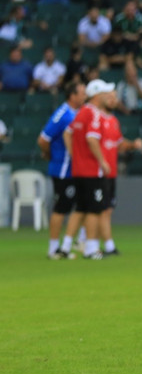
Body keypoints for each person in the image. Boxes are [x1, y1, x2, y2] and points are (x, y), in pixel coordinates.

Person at [61, 80, 118, 260]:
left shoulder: (81, 112)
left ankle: (65, 246)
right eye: (103, 93)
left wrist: (74, 155)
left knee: (80, 208)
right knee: (94, 209)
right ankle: (91, 249)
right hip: (92, 171)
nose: (106, 96)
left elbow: (67, 133)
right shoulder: (93, 114)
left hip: (78, 169)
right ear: (96, 95)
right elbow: (92, 139)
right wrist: (102, 161)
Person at [38, 82, 86, 259]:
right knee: (61, 208)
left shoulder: (75, 113)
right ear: (72, 95)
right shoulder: (62, 114)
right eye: (81, 93)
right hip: (62, 169)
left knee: (79, 205)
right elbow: (43, 139)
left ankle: (77, 241)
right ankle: (53, 248)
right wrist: (50, 155)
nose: (84, 96)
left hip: (73, 169)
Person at [99, 92, 142, 256]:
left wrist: (133, 144)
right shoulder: (97, 120)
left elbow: (119, 144)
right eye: (110, 97)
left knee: (107, 209)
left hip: (111, 172)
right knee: (101, 209)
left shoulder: (113, 121)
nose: (113, 100)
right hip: (99, 172)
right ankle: (103, 245)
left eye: (115, 98)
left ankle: (94, 242)